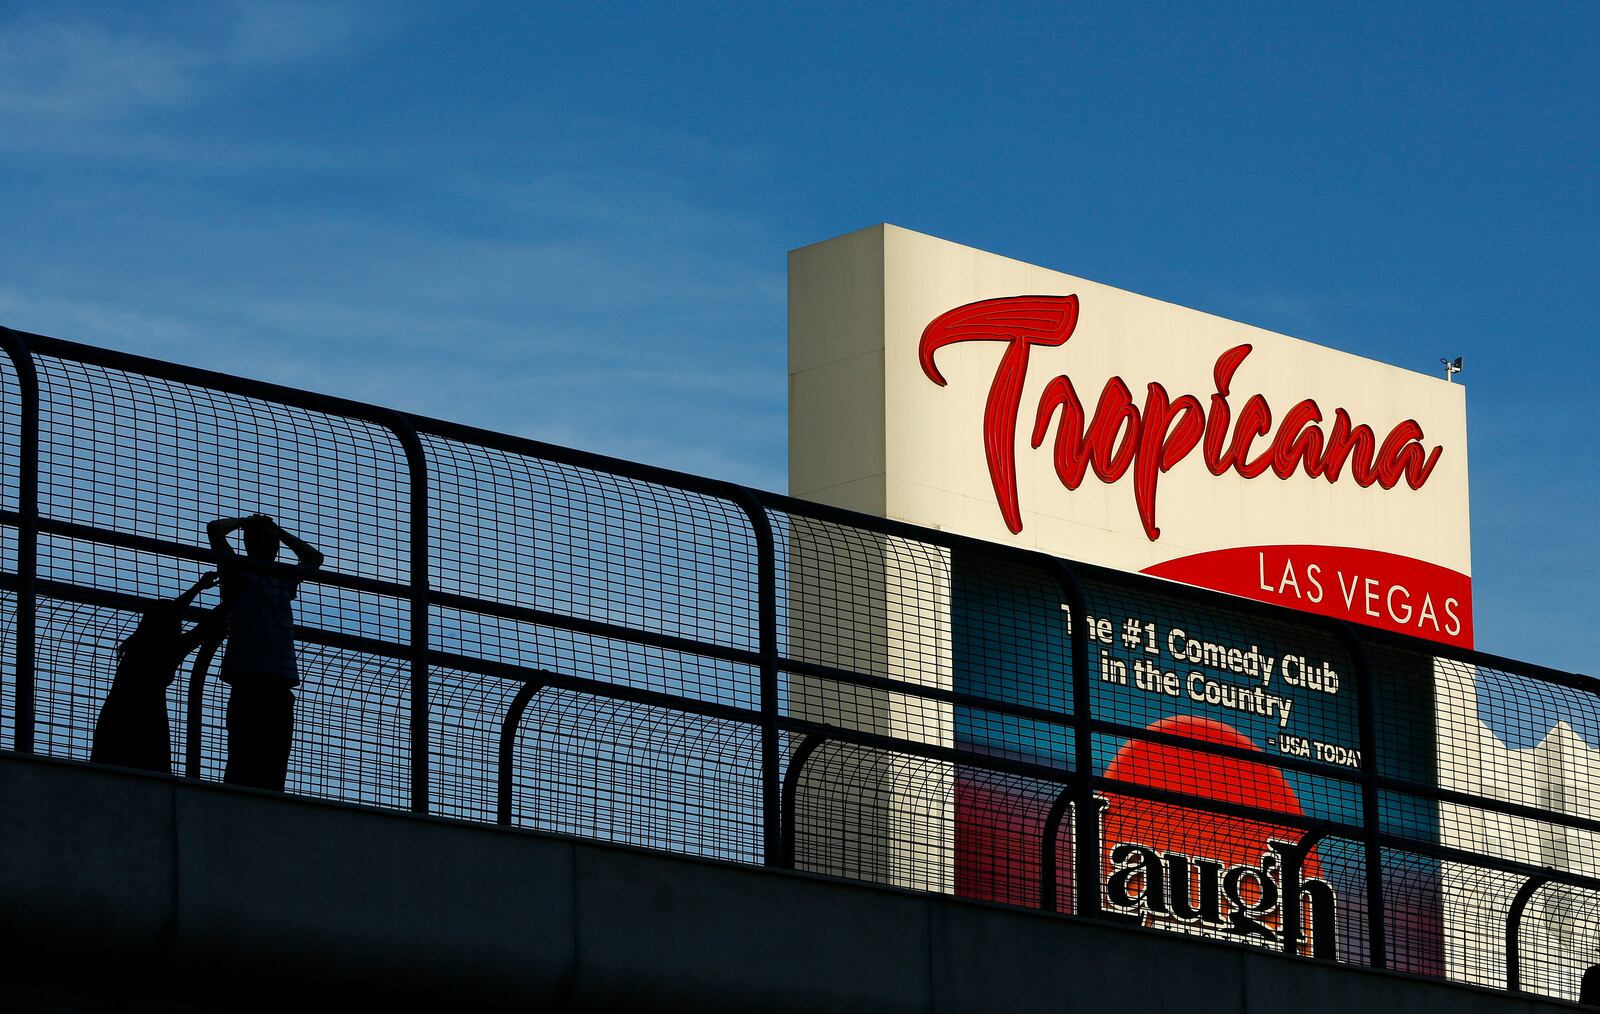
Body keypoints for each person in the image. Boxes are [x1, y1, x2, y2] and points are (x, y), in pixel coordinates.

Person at [207, 513, 324, 791]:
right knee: (244, 752)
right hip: (249, 675)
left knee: (275, 755)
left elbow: (314, 558)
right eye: (265, 539)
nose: (272, 545)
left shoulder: (283, 576)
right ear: (249, 542)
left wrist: (278, 530)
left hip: (278, 677)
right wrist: (245, 522)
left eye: (274, 541)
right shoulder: (236, 569)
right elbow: (214, 530)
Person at [91, 572, 223, 774]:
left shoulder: (140, 645)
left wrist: (198, 587)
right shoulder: (167, 650)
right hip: (147, 721)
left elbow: (172, 612)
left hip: (115, 718)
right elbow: (204, 629)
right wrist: (233, 600)